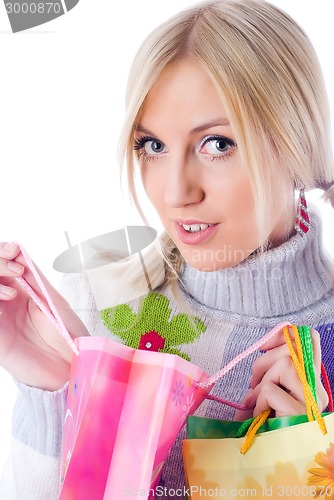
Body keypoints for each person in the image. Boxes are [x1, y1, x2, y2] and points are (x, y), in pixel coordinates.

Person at [1, 0, 334, 498]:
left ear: (296, 142)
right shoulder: (95, 313)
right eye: (152, 146)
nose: (176, 192)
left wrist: (308, 477)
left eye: (217, 143)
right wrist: (60, 393)